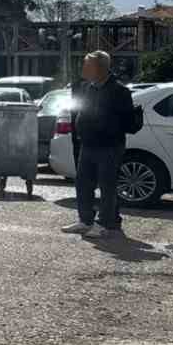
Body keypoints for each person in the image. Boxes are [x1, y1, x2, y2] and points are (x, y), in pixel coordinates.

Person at [62, 50, 135, 239]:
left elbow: (126, 121)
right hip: (88, 144)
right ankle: (85, 220)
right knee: (83, 183)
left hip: (109, 146)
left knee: (107, 186)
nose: (84, 69)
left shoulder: (119, 91)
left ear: (100, 68)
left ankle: (105, 224)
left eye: (88, 65)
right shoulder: (87, 88)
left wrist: (106, 128)